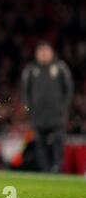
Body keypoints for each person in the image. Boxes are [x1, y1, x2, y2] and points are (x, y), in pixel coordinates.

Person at [21, 41, 74, 173]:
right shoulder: (31, 70)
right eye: (41, 51)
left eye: (46, 51)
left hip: (56, 114)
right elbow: (25, 91)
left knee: (58, 141)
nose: (44, 54)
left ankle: (57, 167)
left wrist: (63, 106)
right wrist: (29, 108)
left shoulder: (60, 68)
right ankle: (44, 169)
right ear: (36, 54)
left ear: (52, 52)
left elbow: (69, 89)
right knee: (40, 143)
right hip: (38, 115)